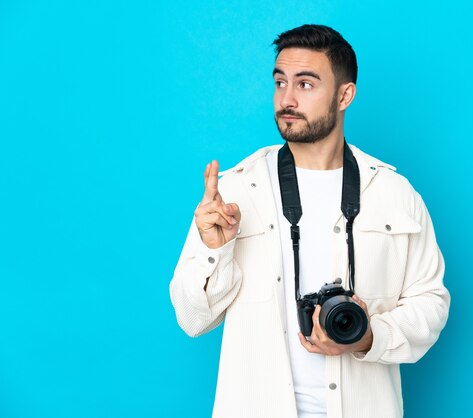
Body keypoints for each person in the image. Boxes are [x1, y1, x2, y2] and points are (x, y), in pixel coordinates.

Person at [169, 24, 450, 418]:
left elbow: (431, 303)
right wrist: (214, 249)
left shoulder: (393, 192)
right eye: (280, 82)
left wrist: (369, 337)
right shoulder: (235, 191)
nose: (286, 98)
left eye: (305, 84)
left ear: (344, 95)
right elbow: (192, 318)